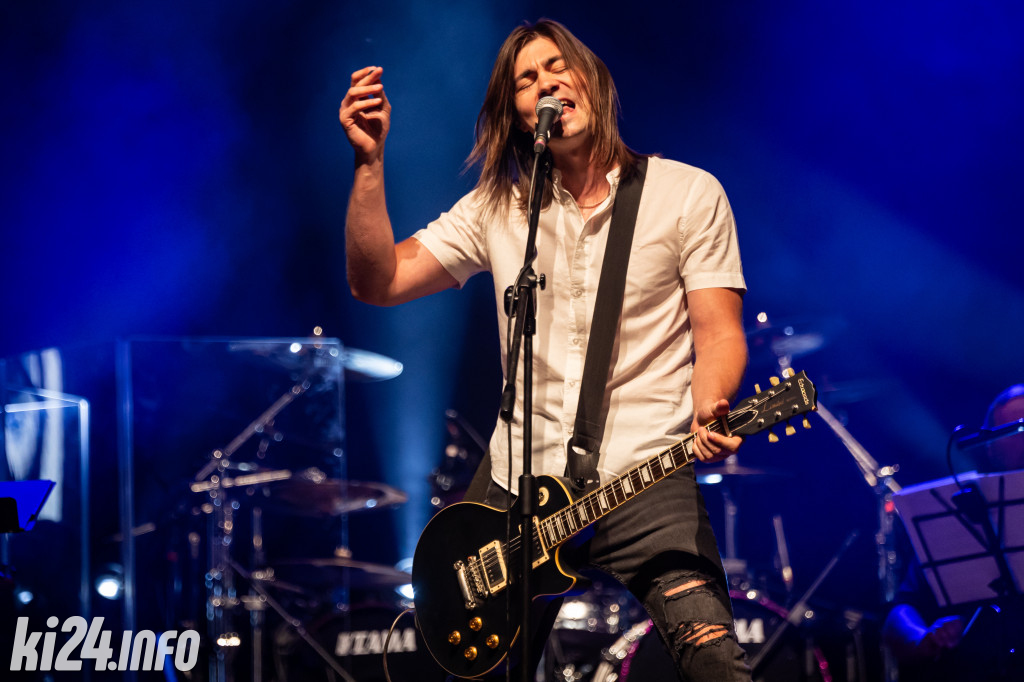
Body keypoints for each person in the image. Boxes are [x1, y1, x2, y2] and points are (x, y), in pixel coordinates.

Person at [339, 20, 751, 681]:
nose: (546, 83)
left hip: (646, 473)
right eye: (526, 80)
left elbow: (720, 333)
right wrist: (369, 164)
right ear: (517, 115)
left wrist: (713, 404)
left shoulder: (686, 194)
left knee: (714, 661)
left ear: (593, 81)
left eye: (558, 66)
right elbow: (377, 281)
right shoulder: (498, 208)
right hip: (516, 483)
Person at [881, 384, 1024, 680]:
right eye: (1013, 430)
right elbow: (902, 610)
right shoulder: (967, 509)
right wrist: (923, 639)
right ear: (990, 445)